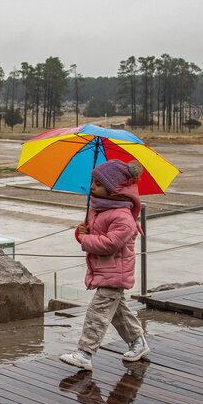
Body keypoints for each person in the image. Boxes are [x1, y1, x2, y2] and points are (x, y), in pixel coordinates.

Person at [60, 159, 149, 370]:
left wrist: (84, 240)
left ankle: (84, 353)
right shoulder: (100, 209)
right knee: (119, 311)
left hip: (115, 272)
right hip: (106, 271)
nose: (92, 187)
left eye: (98, 184)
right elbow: (95, 235)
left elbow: (109, 245)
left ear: (114, 190)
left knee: (97, 313)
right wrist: (82, 232)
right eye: (93, 181)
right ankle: (138, 342)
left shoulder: (123, 217)